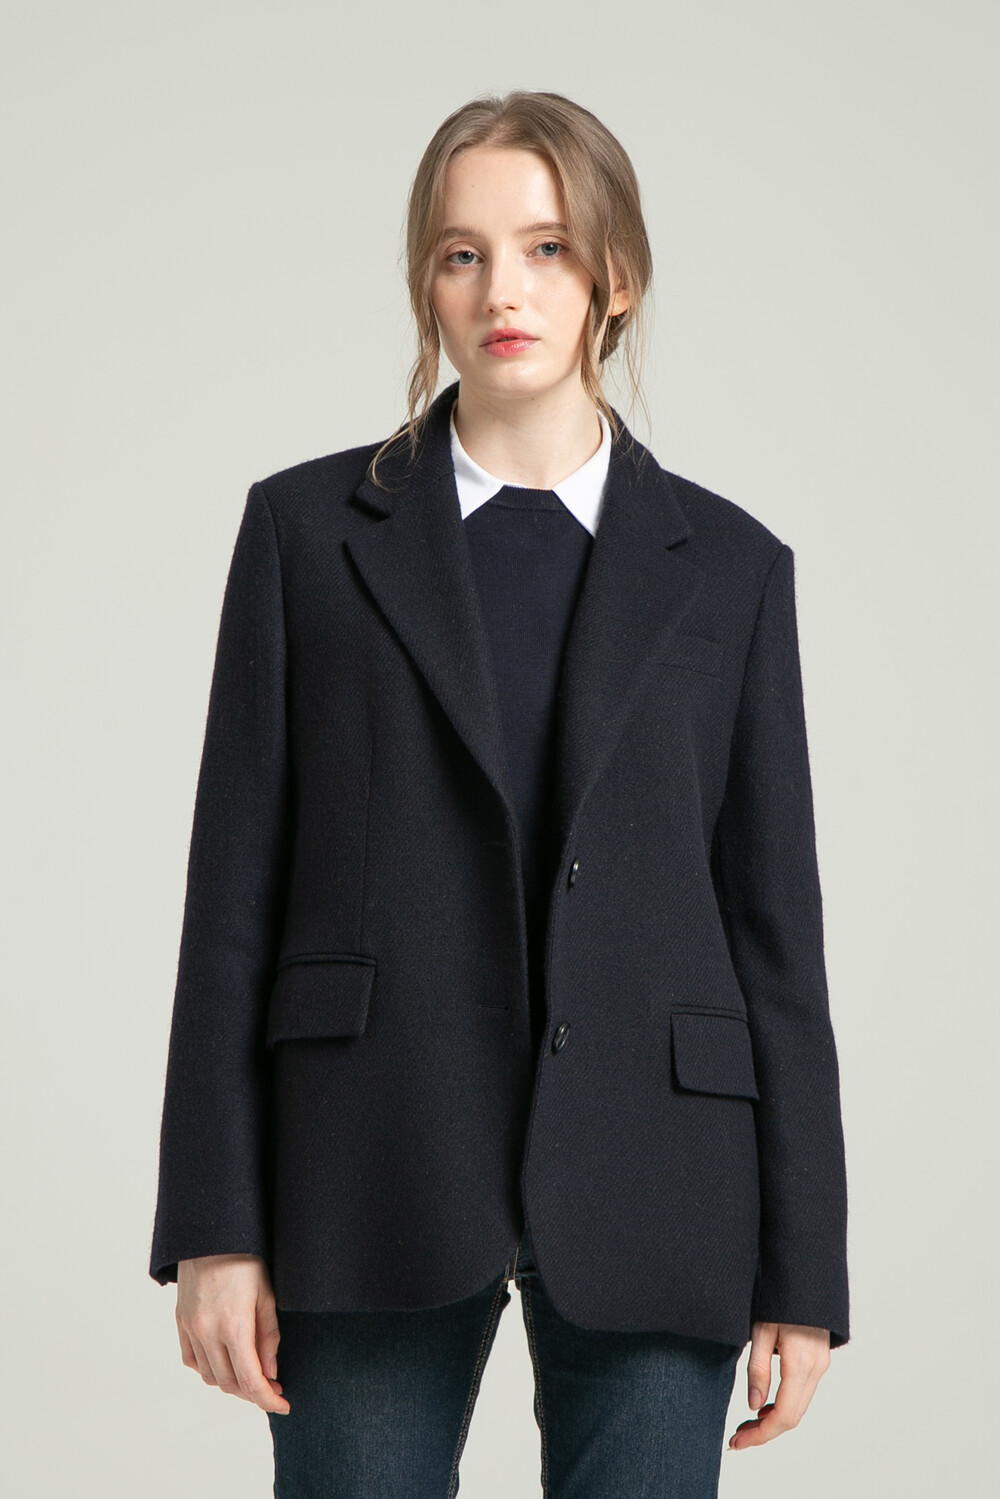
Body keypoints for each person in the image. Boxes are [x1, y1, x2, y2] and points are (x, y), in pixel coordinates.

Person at [149, 90, 850, 1498]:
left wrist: (805, 1270)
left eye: (546, 249)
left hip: (659, 1172)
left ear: (616, 278)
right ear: (427, 281)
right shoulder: (304, 535)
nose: (501, 291)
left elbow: (776, 939)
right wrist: (216, 1225)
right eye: (461, 254)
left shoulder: (732, 570)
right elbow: (232, 902)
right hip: (370, 1163)